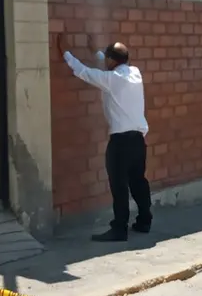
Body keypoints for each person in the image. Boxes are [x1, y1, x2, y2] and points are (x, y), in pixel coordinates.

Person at [57, 34, 152, 242]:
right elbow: (112, 68)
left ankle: (120, 228)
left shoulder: (111, 79)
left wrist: (66, 53)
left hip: (120, 143)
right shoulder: (135, 73)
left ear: (111, 61)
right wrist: (98, 53)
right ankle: (145, 220)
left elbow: (84, 72)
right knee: (138, 181)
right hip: (138, 141)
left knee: (119, 185)